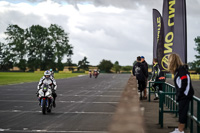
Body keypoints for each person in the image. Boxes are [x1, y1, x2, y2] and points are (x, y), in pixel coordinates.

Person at [168, 53, 194, 133]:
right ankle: (179, 129)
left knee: (182, 113)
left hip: (185, 95)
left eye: (169, 60)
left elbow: (184, 81)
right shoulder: (179, 69)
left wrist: (180, 94)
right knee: (181, 112)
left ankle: (181, 131)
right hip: (183, 95)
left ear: (172, 61)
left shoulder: (181, 69)